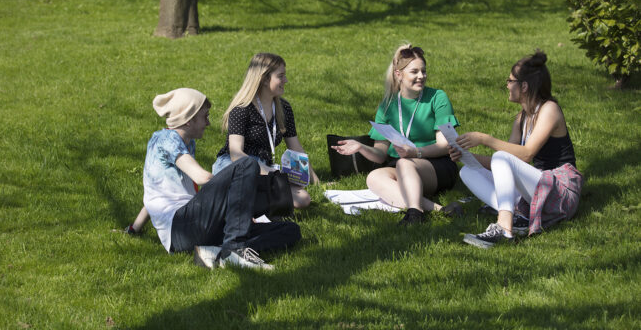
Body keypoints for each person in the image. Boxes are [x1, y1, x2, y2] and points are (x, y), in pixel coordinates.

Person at [130, 87, 300, 269]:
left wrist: (134, 229)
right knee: (246, 165)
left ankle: (216, 252)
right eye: (205, 116)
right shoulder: (166, 139)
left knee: (290, 230)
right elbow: (201, 177)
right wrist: (238, 201)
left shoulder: (186, 142)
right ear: (188, 120)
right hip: (182, 228)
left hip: (194, 226)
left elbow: (155, 190)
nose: (208, 123)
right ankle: (235, 249)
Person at [450, 50, 583, 248]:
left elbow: (526, 154)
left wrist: (485, 139)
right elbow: (504, 162)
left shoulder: (549, 109)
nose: (507, 85)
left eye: (510, 80)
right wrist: (468, 156)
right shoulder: (521, 118)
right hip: (535, 186)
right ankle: (518, 216)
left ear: (525, 86)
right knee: (468, 171)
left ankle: (504, 227)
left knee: (501, 157)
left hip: (559, 190)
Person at [332, 44, 461, 225]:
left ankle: (415, 213)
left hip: (436, 164)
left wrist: (415, 153)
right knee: (374, 177)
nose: (421, 76)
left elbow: (445, 145)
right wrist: (360, 147)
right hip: (401, 165)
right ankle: (438, 209)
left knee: (405, 164)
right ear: (399, 74)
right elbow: (380, 155)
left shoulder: (437, 97)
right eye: (414, 72)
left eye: (423, 71)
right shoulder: (388, 105)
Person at [212, 53, 319, 208]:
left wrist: (315, 180)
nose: (286, 81)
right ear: (263, 79)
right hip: (235, 166)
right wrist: (272, 174)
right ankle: (247, 203)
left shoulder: (284, 108)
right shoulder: (242, 109)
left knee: (302, 199)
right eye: (280, 76)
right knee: (255, 193)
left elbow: (295, 148)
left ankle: (252, 202)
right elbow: (236, 154)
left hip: (265, 168)